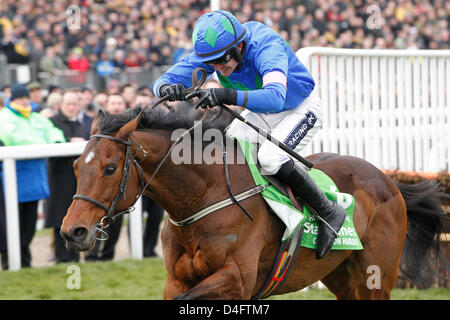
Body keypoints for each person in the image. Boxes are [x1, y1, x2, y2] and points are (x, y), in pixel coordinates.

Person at [152, 10, 346, 259]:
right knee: (228, 153)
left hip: (299, 108)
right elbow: (162, 81)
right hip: (260, 111)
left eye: (222, 61)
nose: (217, 68)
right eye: (212, 64)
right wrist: (168, 87)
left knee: (270, 158)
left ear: (239, 47)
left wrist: (227, 95)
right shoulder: (216, 50)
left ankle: (329, 212)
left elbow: (276, 98)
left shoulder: (267, 45)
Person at [0, 84, 65, 269]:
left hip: (35, 180)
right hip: (14, 181)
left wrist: (56, 141)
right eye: (20, 99)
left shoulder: (37, 118)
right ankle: (11, 262)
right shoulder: (4, 117)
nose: (24, 101)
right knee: (12, 224)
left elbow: (54, 132)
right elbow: (15, 138)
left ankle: (24, 262)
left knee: (28, 226)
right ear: (12, 100)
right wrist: (44, 143)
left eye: (26, 98)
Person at [45, 91, 90, 264]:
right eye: (68, 104)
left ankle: (75, 255)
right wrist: (70, 141)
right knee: (60, 219)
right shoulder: (52, 122)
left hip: (77, 180)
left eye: (74, 104)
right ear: (61, 105)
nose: (71, 108)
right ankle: (61, 257)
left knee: (77, 218)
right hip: (59, 179)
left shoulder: (82, 123)